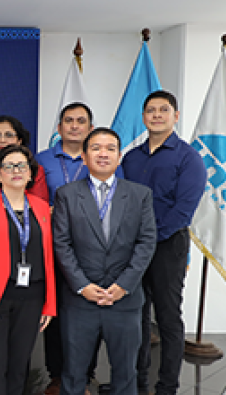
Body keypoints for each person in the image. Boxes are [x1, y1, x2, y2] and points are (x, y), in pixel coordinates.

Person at [53, 128, 157, 395]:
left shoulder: (140, 194)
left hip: (124, 300)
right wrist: (82, 285)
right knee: (73, 374)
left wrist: (123, 285)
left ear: (119, 157)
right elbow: (61, 244)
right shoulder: (67, 194)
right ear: (84, 156)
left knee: (126, 374)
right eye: (96, 148)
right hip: (79, 302)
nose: (103, 154)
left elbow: (146, 242)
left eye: (110, 148)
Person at [123, 90, 207, 395]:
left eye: (163, 109)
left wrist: (149, 239)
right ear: (143, 117)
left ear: (176, 116)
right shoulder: (130, 158)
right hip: (132, 246)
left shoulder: (189, 158)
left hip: (168, 244)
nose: (157, 115)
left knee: (168, 316)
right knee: (136, 315)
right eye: (151, 110)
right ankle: (137, 382)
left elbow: (183, 210)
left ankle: (167, 386)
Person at [35, 102, 119, 394]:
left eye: (80, 121)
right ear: (59, 128)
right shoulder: (42, 159)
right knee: (55, 308)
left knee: (88, 309)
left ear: (90, 128)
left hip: (90, 246)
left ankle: (85, 373)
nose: (74, 126)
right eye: (68, 120)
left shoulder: (100, 158)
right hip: (51, 244)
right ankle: (56, 375)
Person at [0, 144, 56, 394]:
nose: (16, 171)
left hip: (33, 297)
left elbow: (49, 257)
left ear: (30, 173)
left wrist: (49, 304)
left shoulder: (41, 207)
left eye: (21, 166)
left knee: (19, 368)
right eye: (9, 166)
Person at [0, 115, 49, 201]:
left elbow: (39, 203)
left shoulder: (34, 169)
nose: (2, 140)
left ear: (19, 141)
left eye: (9, 135)